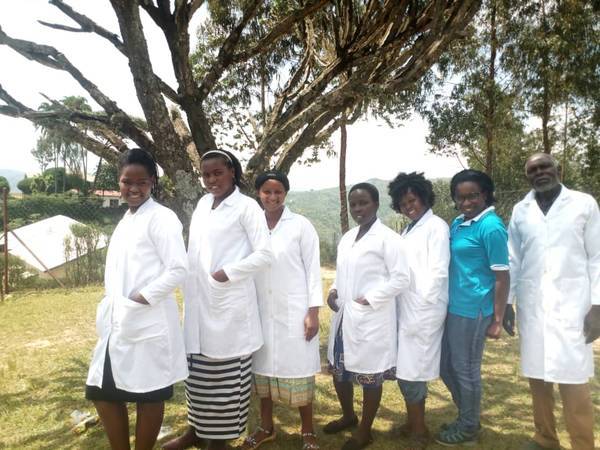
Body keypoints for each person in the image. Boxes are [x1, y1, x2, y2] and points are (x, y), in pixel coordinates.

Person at [163, 150, 272, 450]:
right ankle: (195, 431)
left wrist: (228, 273)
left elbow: (265, 254)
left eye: (217, 173)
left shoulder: (247, 207)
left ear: (232, 172)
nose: (211, 179)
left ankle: (219, 441)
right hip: (199, 304)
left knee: (226, 383)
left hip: (229, 309)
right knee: (197, 377)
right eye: (206, 174)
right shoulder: (202, 204)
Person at [86, 148, 189, 450]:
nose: (133, 188)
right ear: (118, 182)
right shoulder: (127, 218)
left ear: (153, 181)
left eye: (141, 182)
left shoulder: (161, 218)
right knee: (102, 393)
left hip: (147, 318)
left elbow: (179, 268)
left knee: (150, 395)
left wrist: (142, 296)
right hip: (119, 320)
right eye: (126, 182)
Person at [504, 153, 600, 450]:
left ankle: (583, 444)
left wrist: (597, 306)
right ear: (527, 177)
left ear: (558, 169)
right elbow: (513, 259)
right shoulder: (521, 210)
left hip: (573, 307)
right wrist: (507, 302)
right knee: (538, 377)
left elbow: (597, 256)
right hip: (533, 306)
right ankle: (545, 438)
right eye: (532, 170)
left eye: (544, 166)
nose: (539, 172)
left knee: (574, 382)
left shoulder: (583, 204)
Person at [325, 182, 410, 450]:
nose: (358, 208)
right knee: (339, 371)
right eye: (353, 204)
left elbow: (401, 278)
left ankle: (365, 431)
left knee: (370, 375)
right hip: (344, 316)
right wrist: (333, 290)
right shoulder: (348, 238)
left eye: (363, 203)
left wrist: (369, 299)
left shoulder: (388, 239)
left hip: (370, 317)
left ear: (376, 204)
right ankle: (348, 416)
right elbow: (341, 273)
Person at [241, 170, 322, 450]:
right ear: (258, 193)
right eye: (267, 191)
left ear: (285, 193)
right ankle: (266, 427)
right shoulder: (251, 226)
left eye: (278, 192)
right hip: (260, 311)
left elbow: (313, 271)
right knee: (262, 371)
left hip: (294, 310)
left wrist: (313, 312)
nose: (272, 197)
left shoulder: (300, 226)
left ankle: (308, 431)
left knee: (299, 369)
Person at [436, 169, 510, 447]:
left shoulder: (491, 227)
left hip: (474, 310)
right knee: (445, 365)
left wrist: (498, 319)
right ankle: (467, 416)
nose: (466, 202)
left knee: (465, 369)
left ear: (486, 195)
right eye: (461, 197)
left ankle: (469, 427)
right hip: (453, 306)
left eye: (473, 196)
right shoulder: (458, 222)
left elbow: (502, 276)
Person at [388, 172, 449, 450]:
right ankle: (413, 422)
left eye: (412, 200)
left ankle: (420, 430)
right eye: (402, 203)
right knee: (406, 370)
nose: (407, 206)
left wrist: (422, 309)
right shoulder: (410, 229)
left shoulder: (436, 227)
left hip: (423, 310)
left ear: (424, 197)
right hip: (407, 308)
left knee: (412, 371)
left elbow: (438, 272)